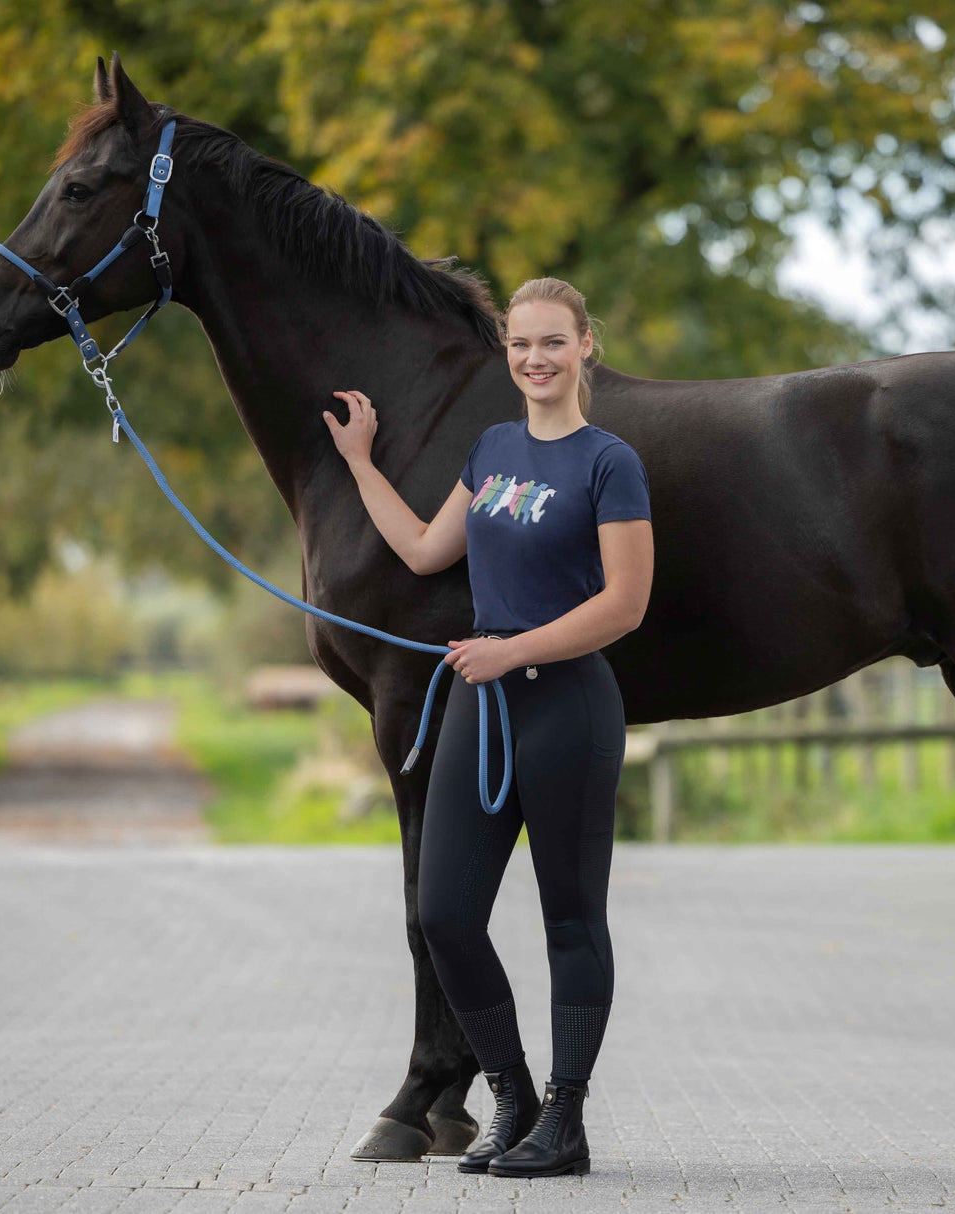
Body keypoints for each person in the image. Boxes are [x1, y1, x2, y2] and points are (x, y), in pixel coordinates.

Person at [322, 276, 654, 1178]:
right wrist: (359, 463)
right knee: (445, 915)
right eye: (520, 345)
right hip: (485, 705)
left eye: (553, 342)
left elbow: (626, 605)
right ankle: (511, 1096)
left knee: (570, 922)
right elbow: (429, 549)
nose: (535, 359)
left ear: (586, 345)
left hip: (568, 705)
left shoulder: (609, 461)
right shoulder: (493, 449)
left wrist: (512, 652)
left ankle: (568, 1122)